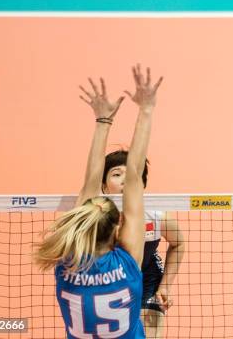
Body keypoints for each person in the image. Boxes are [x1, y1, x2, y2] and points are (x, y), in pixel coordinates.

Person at [35, 65, 162, 338]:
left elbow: (94, 187)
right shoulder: (127, 263)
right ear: (117, 227)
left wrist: (103, 121)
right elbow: (133, 183)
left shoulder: (68, 261)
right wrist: (146, 109)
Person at [102, 150, 185, 338]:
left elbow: (179, 243)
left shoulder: (155, 217)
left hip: (146, 277)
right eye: (116, 174)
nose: (125, 180)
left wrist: (165, 286)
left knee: (150, 330)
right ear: (104, 187)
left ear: (142, 184)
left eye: (132, 175)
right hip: (109, 280)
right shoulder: (95, 219)